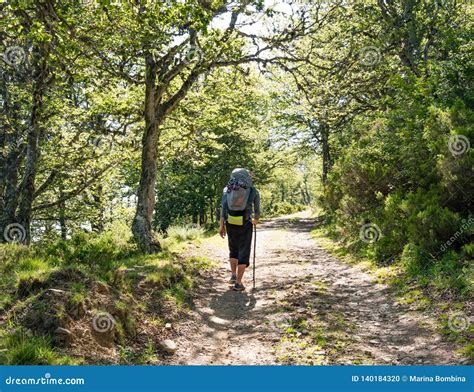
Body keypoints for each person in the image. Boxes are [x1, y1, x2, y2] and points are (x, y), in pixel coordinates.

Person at [219, 168, 260, 291]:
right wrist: (255, 220)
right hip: (245, 224)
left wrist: (221, 226)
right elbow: (257, 211)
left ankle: (233, 275)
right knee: (244, 251)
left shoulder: (227, 190)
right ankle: (238, 283)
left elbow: (223, 210)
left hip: (230, 223)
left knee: (233, 249)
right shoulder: (253, 191)